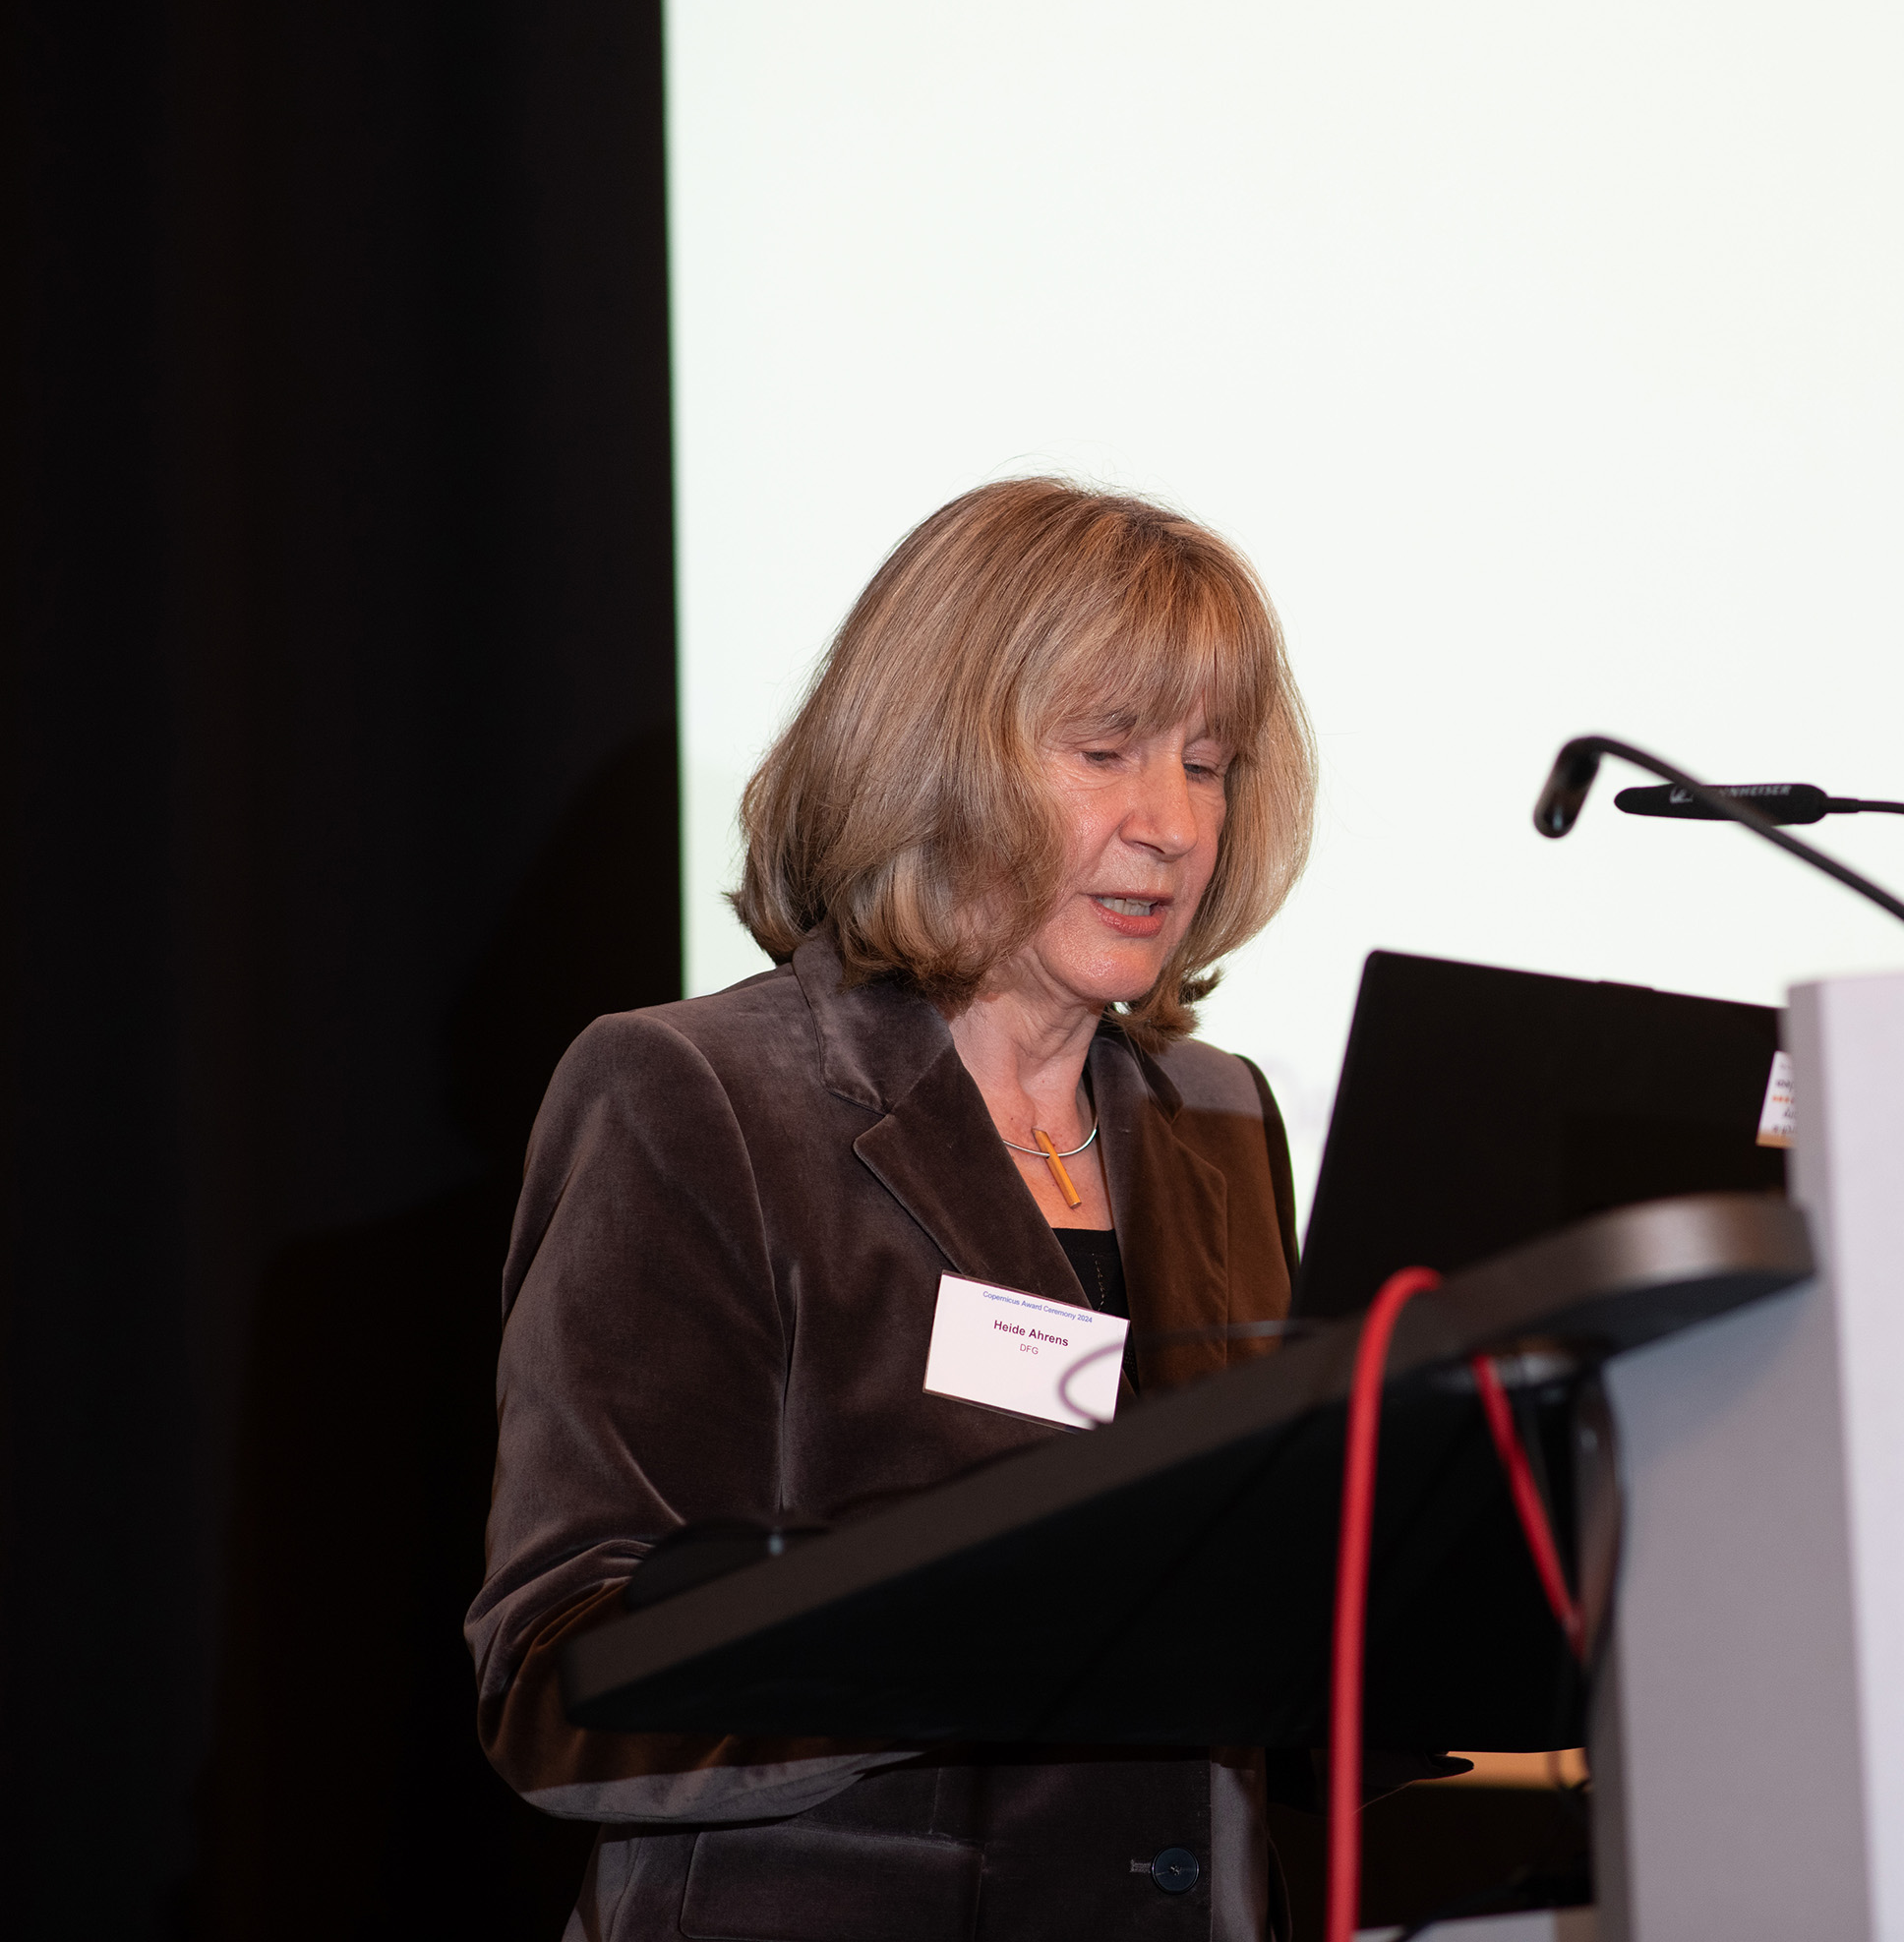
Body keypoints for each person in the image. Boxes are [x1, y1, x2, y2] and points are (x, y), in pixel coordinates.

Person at [465, 478, 1320, 1941]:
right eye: (1105, 752)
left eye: (1209, 765)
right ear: (935, 761)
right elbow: (564, 1676)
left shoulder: (1220, 1115)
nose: (1174, 825)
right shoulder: (695, 1097)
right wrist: (1005, 1620)